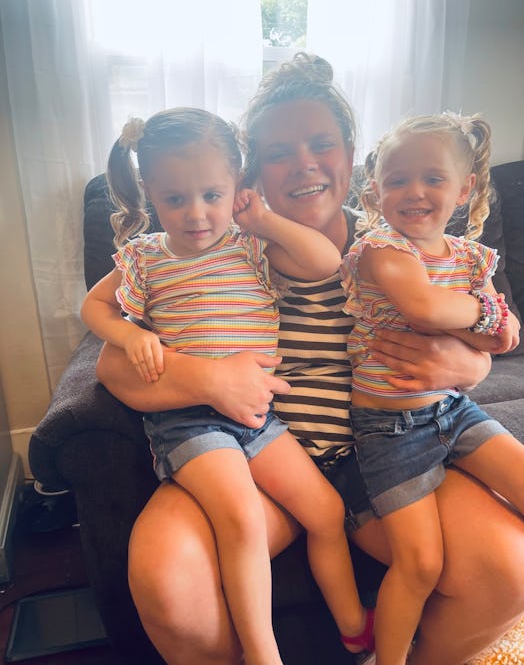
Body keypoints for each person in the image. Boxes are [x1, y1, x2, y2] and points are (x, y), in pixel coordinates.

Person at [96, 54, 524, 665]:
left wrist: (473, 366)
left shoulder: (402, 244)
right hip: (254, 458)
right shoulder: (214, 250)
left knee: (509, 568)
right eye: (278, 153)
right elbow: (111, 364)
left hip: (384, 461)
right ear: (251, 174)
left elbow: (487, 318)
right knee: (167, 579)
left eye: (322, 144)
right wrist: (211, 378)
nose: (303, 164)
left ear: (352, 157)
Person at [81, 106, 374, 665]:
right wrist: (124, 335)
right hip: (188, 420)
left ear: (237, 188)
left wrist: (261, 219)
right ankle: (264, 655)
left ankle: (355, 628)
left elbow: (323, 261)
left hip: (259, 417)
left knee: (326, 511)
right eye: (175, 200)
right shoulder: (145, 257)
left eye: (212, 196)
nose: (195, 215)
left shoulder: (248, 244)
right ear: (150, 194)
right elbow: (92, 305)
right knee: (239, 518)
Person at [340, 112, 522, 665]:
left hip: (454, 411)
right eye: (397, 180)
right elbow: (423, 311)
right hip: (390, 432)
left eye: (433, 179)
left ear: (465, 188)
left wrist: (495, 326)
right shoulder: (382, 249)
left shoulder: (472, 256)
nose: (414, 192)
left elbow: (507, 338)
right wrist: (490, 315)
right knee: (418, 564)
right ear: (375, 191)